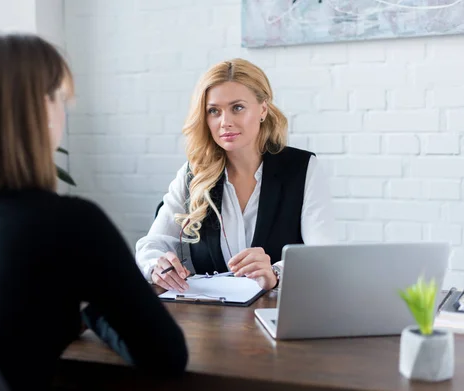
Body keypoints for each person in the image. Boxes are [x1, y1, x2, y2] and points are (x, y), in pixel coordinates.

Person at [0, 29, 188, 391]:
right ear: (40, 112)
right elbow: (166, 356)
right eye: (59, 98)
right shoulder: (70, 224)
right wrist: (95, 309)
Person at [135, 58, 337, 294]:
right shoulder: (193, 174)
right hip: (209, 319)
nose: (225, 122)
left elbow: (324, 255)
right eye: (214, 111)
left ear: (263, 109)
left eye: (237, 108)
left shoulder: (302, 168)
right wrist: (156, 266)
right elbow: (152, 244)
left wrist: (276, 272)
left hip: (279, 315)